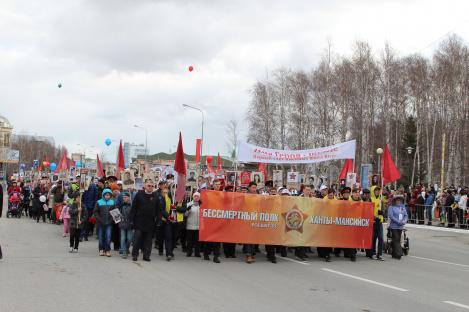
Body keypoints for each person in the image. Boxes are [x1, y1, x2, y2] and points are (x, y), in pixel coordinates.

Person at [130, 180, 159, 262]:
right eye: (149, 185)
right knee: (137, 239)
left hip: (150, 222)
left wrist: (159, 220)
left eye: (152, 186)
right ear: (145, 186)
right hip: (139, 221)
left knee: (148, 241)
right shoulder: (139, 194)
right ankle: (135, 255)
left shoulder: (155, 196)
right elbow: (134, 208)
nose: (150, 187)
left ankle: (146, 256)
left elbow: (158, 209)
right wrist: (131, 219)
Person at [93, 188, 115, 257]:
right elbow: (95, 212)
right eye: (106, 195)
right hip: (100, 223)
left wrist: (111, 220)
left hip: (109, 223)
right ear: (103, 195)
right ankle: (101, 249)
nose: (107, 196)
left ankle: (107, 250)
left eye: (108, 195)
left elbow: (114, 212)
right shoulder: (98, 202)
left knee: (108, 237)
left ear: (110, 196)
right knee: (101, 237)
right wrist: (100, 220)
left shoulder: (112, 202)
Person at [387, 195, 408, 259]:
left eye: (400, 200)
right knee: (396, 239)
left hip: (400, 226)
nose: (399, 201)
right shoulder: (391, 207)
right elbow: (391, 216)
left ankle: (394, 253)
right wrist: (397, 222)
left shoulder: (402, 208)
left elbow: (406, 215)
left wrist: (404, 221)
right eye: (397, 200)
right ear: (395, 201)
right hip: (393, 226)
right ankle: (399, 253)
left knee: (397, 239)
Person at [243, 182, 258, 264]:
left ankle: (252, 253)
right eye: (252, 187)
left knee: (253, 238)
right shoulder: (245, 196)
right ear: (249, 188)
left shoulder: (258, 196)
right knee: (248, 238)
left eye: (255, 187)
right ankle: (248, 255)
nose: (254, 189)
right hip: (247, 219)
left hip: (255, 219)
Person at [185, 192, 201, 258]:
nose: (196, 197)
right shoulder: (189, 204)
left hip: (199, 226)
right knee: (190, 240)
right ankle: (189, 252)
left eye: (197, 196)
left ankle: (197, 253)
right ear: (193, 197)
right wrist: (187, 210)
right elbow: (185, 215)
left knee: (197, 241)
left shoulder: (201, 205)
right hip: (190, 225)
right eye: (195, 196)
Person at [118, 191, 134, 259]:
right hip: (122, 223)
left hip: (130, 224)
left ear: (129, 197)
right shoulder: (121, 205)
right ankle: (124, 252)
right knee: (123, 238)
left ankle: (127, 249)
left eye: (125, 197)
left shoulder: (132, 205)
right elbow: (117, 212)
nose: (124, 198)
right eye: (123, 197)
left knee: (129, 239)